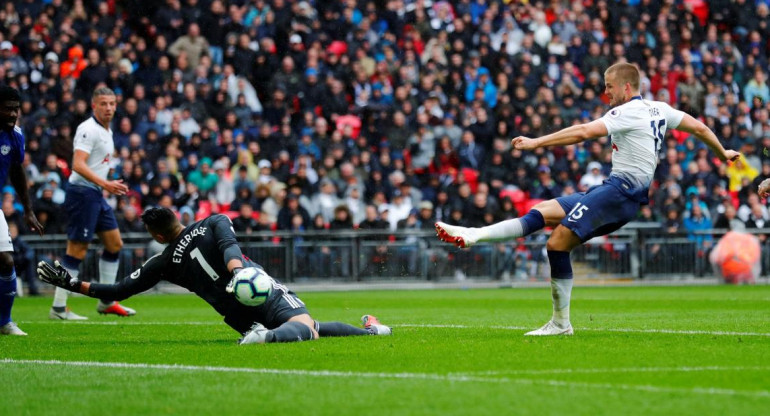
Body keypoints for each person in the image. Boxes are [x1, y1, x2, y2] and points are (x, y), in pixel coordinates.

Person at [436, 63, 741, 336]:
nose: (605, 92)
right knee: (542, 211)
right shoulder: (660, 109)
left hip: (620, 193)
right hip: (612, 189)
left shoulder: (626, 112)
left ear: (626, 87)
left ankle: (560, 323)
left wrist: (536, 142)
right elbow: (699, 127)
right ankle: (474, 234)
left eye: (609, 86)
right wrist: (722, 152)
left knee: (556, 244)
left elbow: (582, 132)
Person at [37, 207, 391, 344]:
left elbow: (118, 289)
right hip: (256, 288)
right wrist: (239, 274)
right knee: (306, 326)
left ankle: (370, 332)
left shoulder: (163, 260)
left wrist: (69, 283)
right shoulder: (214, 221)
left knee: (310, 325)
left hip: (234, 314)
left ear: (158, 235)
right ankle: (265, 339)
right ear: (178, 217)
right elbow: (228, 247)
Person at [50, 87, 135, 320]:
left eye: (112, 103)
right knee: (76, 250)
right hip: (82, 193)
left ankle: (106, 301)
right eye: (103, 103)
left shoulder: (107, 131)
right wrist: (106, 184)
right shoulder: (88, 129)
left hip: (95, 193)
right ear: (93, 105)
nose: (108, 107)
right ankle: (59, 307)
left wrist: (105, 184)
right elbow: (78, 164)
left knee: (114, 244)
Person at [0, 86, 44, 335]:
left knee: (6, 261)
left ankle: (4, 321)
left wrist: (28, 210)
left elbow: (17, 171)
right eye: (8, 108)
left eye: (16, 108)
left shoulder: (15, 136)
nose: (13, 113)